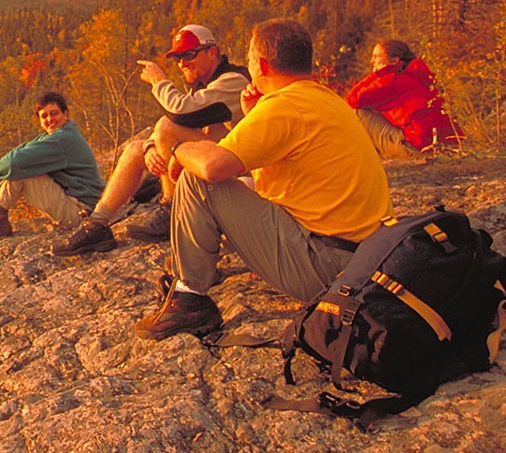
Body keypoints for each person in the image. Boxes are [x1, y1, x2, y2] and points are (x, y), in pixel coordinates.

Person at [134, 18, 393, 340]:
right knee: (237, 186)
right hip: (362, 259)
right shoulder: (324, 99)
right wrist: (251, 112)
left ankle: (191, 299)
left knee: (197, 181)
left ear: (261, 64)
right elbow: (259, 176)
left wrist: (179, 149)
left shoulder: (285, 107)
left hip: (327, 268)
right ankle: (198, 270)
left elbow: (213, 168)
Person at [54, 24, 250, 256]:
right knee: (137, 149)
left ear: (213, 52)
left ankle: (171, 209)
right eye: (178, 58)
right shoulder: (202, 86)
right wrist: (150, 147)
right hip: (213, 162)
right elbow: (185, 124)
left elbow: (180, 114)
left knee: (166, 126)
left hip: (238, 174)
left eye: (189, 54)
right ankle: (97, 224)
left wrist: (159, 82)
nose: (182, 63)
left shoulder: (234, 81)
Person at [0, 91, 105, 237]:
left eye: (54, 113)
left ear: (65, 114)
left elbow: (15, 161)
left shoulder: (64, 139)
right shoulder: (54, 136)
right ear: (40, 120)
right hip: (75, 204)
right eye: (44, 116)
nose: (50, 119)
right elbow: (21, 149)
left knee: (23, 169)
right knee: (23, 165)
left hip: (82, 213)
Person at [346, 39, 464, 159]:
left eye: (376, 57)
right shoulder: (417, 75)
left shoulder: (392, 81)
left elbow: (351, 100)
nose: (372, 61)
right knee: (375, 111)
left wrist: (375, 74)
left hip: (418, 149)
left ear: (394, 60)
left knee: (358, 113)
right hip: (444, 145)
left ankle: (365, 160)